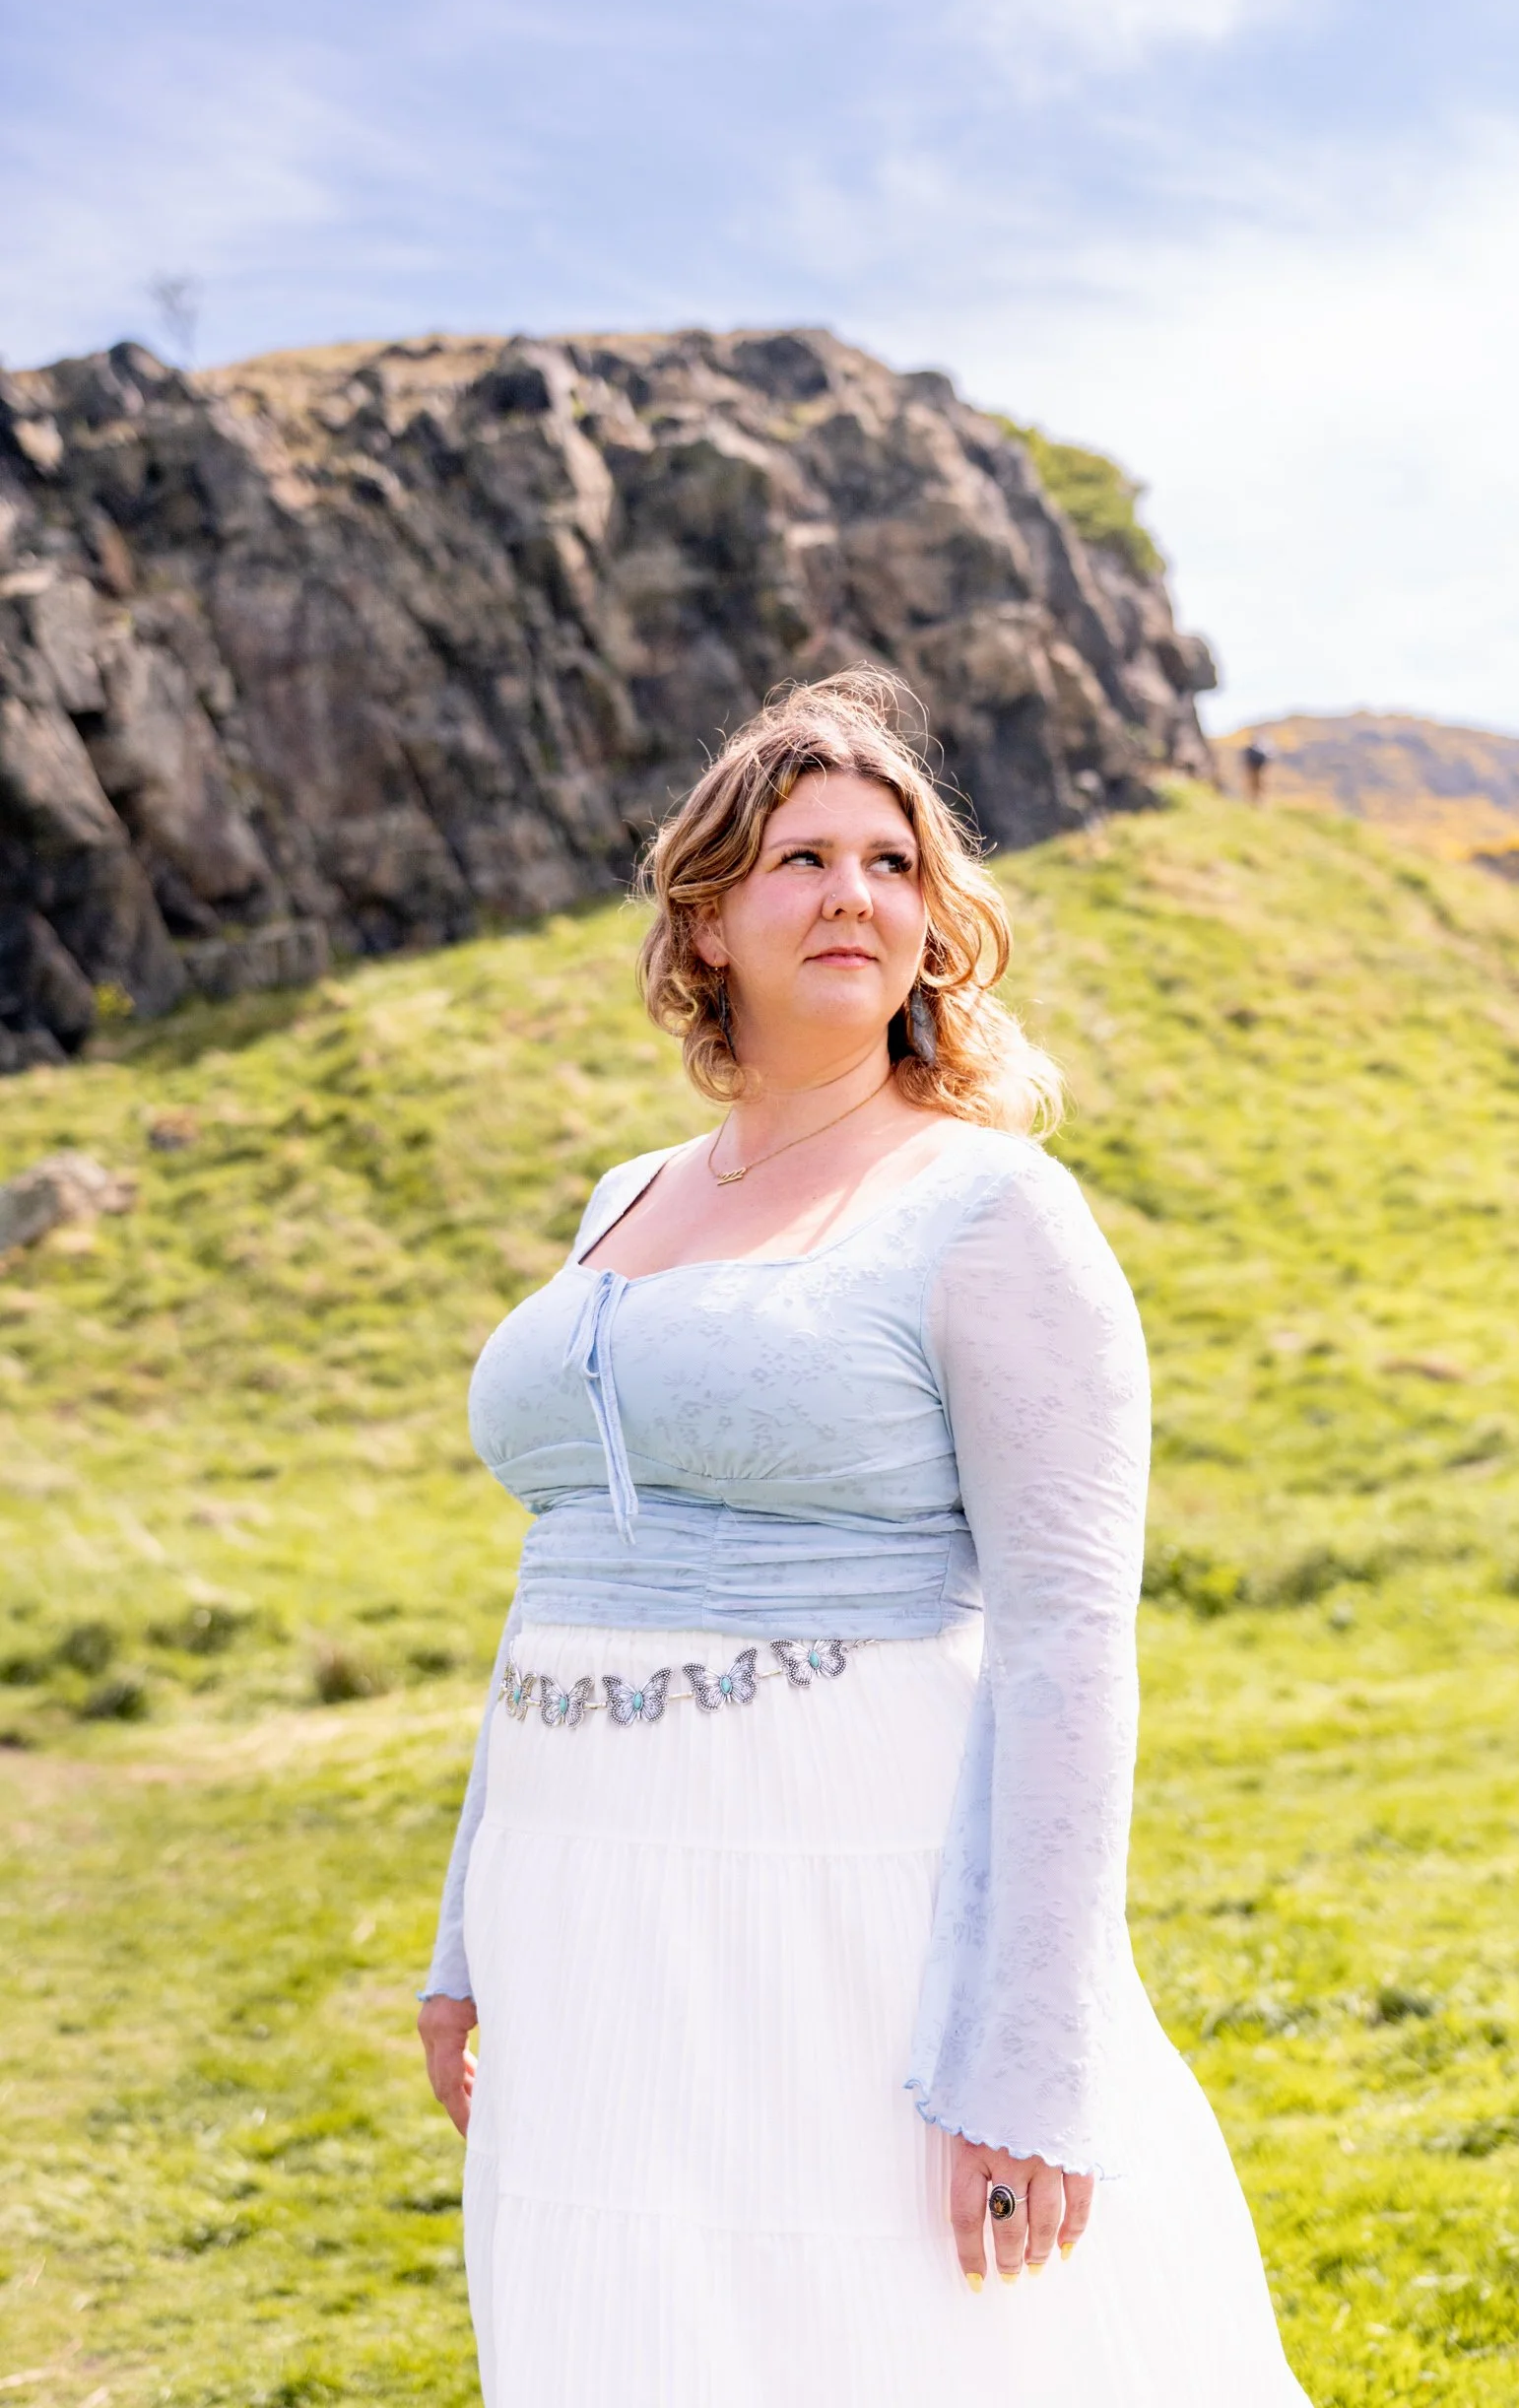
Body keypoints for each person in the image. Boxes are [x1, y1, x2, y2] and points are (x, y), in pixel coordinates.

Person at [418, 668, 1311, 2406]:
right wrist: (468, 1933)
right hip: (583, 1889)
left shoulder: (990, 1210)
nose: (853, 894)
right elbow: (563, 1572)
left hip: (852, 1888)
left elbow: (1067, 1643)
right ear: (706, 916)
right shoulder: (626, 1197)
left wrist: (1033, 2058)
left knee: (896, 2337)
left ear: (934, 921)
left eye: (892, 863)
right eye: (801, 856)